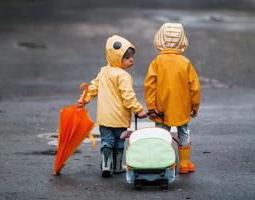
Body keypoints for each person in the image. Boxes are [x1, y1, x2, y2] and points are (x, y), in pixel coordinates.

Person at [77, 35, 147, 178]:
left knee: (107, 141)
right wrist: (138, 109)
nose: (131, 60)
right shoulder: (123, 76)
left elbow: (92, 88)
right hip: (119, 118)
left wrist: (83, 100)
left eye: (132, 57)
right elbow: (128, 96)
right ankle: (116, 166)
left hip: (104, 118)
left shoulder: (103, 72)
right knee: (119, 141)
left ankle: (105, 165)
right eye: (127, 58)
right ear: (116, 58)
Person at [144, 23, 201, 174]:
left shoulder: (156, 62)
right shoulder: (185, 63)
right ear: (182, 40)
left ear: (160, 39)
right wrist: (194, 107)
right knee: (184, 132)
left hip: (160, 108)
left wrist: (151, 106)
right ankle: (184, 163)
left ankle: (164, 162)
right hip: (182, 108)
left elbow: (150, 85)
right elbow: (194, 87)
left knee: (162, 133)